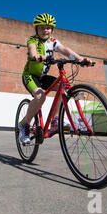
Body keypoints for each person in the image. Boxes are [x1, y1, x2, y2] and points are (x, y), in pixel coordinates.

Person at [18, 13, 92, 145]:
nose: (45, 30)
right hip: (30, 76)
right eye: (42, 28)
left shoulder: (53, 42)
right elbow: (32, 49)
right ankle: (24, 124)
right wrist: (36, 56)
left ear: (52, 30)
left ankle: (55, 120)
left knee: (64, 86)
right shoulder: (32, 40)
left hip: (43, 77)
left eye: (48, 28)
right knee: (40, 97)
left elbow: (65, 50)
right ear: (36, 29)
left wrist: (81, 59)